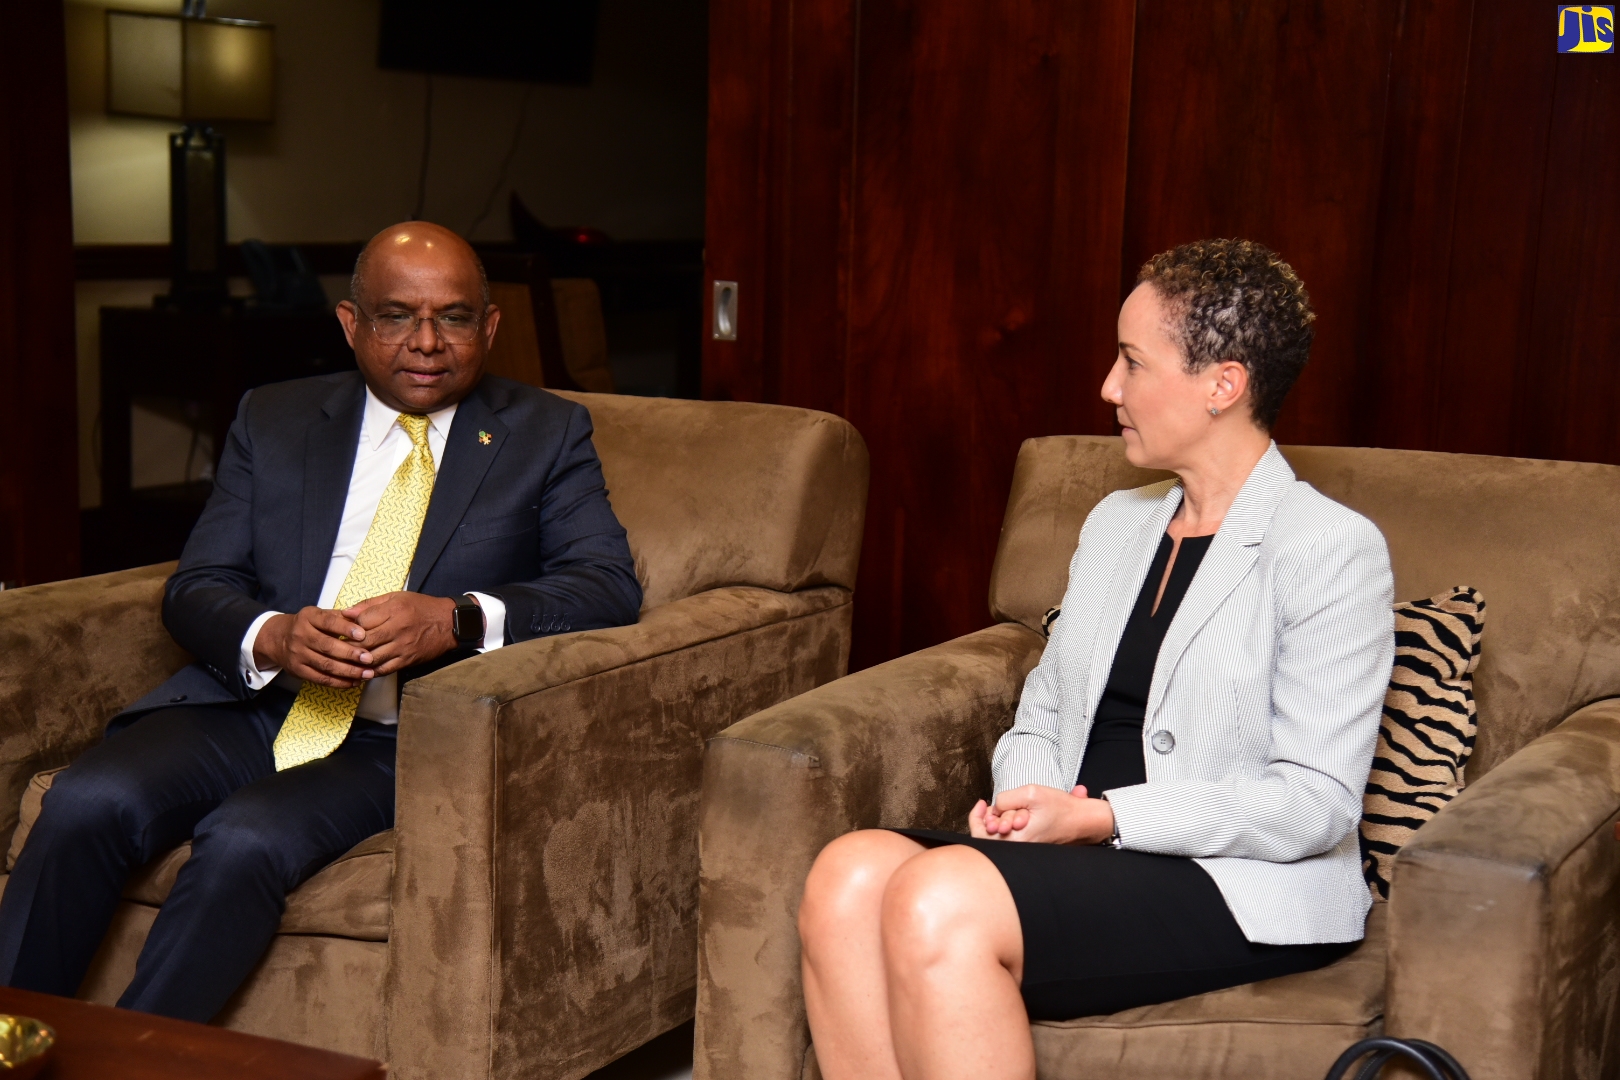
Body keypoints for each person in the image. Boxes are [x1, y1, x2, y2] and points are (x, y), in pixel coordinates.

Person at [0, 222, 642, 1020]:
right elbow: (200, 582)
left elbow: (607, 586)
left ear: (491, 326)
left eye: (454, 317)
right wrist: (270, 635)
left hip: (397, 736)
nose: (427, 342)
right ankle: (11, 1038)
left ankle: (137, 1063)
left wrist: (455, 620)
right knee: (87, 799)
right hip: (249, 707)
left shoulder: (545, 432)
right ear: (351, 324)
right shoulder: (274, 419)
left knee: (244, 840)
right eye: (396, 316)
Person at [797, 239, 1395, 1080]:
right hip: (1082, 849)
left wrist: (1103, 820)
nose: (1108, 388)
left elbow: (1313, 805)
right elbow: (1043, 712)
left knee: (940, 896)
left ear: (1223, 384)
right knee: (846, 875)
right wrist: (1024, 809)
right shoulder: (1118, 522)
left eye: (1131, 362)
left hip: (1228, 880)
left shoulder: (1329, 547)